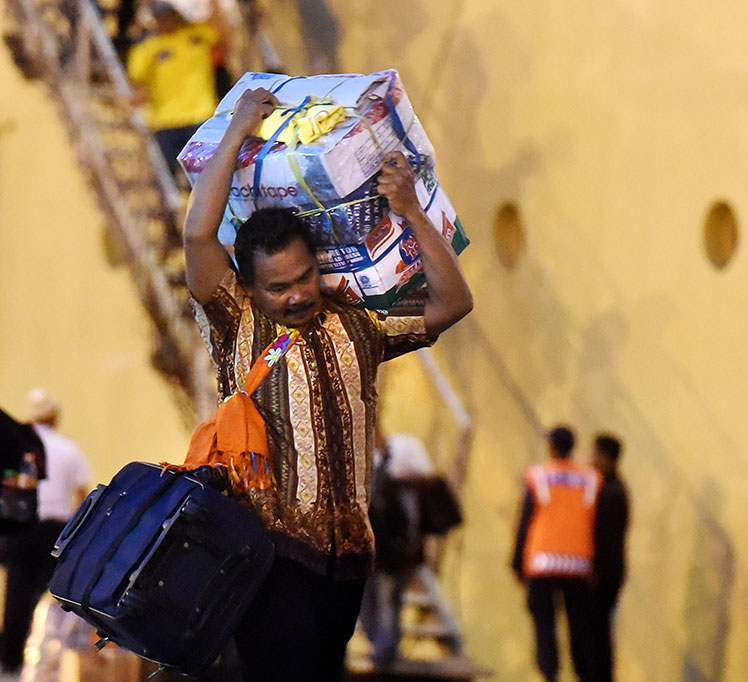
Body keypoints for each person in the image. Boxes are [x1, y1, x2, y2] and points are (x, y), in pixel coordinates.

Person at [182, 87, 472, 682]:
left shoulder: (359, 325)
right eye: (279, 286)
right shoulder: (236, 319)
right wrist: (238, 127)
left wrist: (412, 212)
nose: (297, 293)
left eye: (306, 275)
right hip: (269, 553)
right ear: (252, 288)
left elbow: (454, 303)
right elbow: (196, 238)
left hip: (351, 557)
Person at [0, 390, 92, 679]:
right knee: (55, 597)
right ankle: (52, 662)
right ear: (56, 417)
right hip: (55, 531)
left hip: (22, 527)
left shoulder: (18, 444)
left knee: (17, 597)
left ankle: (11, 661)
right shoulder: (69, 449)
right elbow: (83, 494)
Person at [511, 426, 601, 682]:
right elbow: (597, 523)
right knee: (578, 627)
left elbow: (525, 521)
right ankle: (583, 674)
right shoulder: (591, 478)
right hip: (579, 566)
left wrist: (517, 563)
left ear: (551, 447)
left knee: (544, 625)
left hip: (542, 564)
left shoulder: (539, 476)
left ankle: (549, 675)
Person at [126, 0, 226, 175]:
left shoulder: (197, 35)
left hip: (199, 117)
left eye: (167, 15)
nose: (164, 20)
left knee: (207, 175)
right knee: (165, 177)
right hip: (165, 122)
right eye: (159, 16)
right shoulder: (147, 48)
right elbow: (138, 86)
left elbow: (222, 35)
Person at [361, 429, 433, 668]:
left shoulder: (404, 453)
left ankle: (385, 652)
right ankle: (380, 647)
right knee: (375, 602)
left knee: (389, 601)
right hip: (376, 550)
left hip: (395, 551)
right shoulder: (373, 464)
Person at [590, 433, 630, 682]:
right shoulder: (615, 488)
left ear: (606, 458)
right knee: (600, 633)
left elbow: (605, 538)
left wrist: (594, 571)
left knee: (597, 634)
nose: (590, 460)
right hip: (609, 572)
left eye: (594, 455)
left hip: (604, 574)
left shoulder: (610, 492)